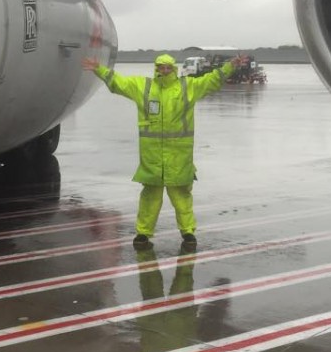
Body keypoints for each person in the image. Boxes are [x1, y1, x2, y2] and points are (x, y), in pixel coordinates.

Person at [81, 52, 245, 247]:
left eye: (168, 67)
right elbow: (119, 83)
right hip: (153, 158)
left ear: (174, 69)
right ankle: (143, 233)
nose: (165, 70)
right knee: (150, 198)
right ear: (156, 68)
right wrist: (99, 69)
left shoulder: (187, 87)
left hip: (179, 157)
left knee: (182, 197)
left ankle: (188, 232)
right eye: (161, 67)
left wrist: (230, 66)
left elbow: (211, 80)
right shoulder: (144, 87)